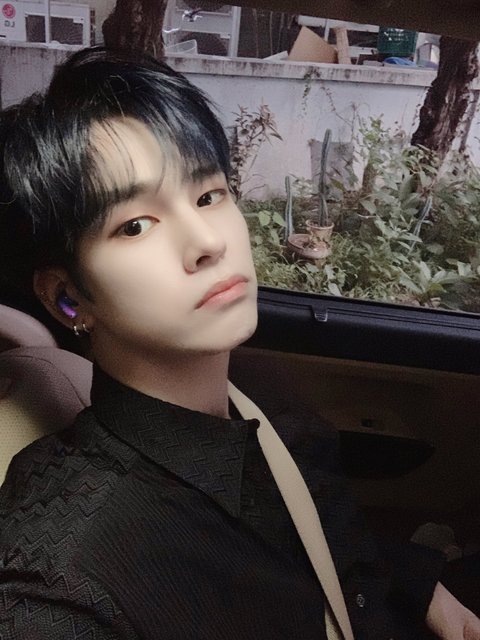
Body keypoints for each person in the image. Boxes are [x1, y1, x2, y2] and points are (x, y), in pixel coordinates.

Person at [0, 46, 478, 640]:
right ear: (68, 297)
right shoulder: (63, 573)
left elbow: (319, 546)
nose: (208, 241)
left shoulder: (262, 403)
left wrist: (417, 582)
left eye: (209, 195)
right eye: (135, 225)